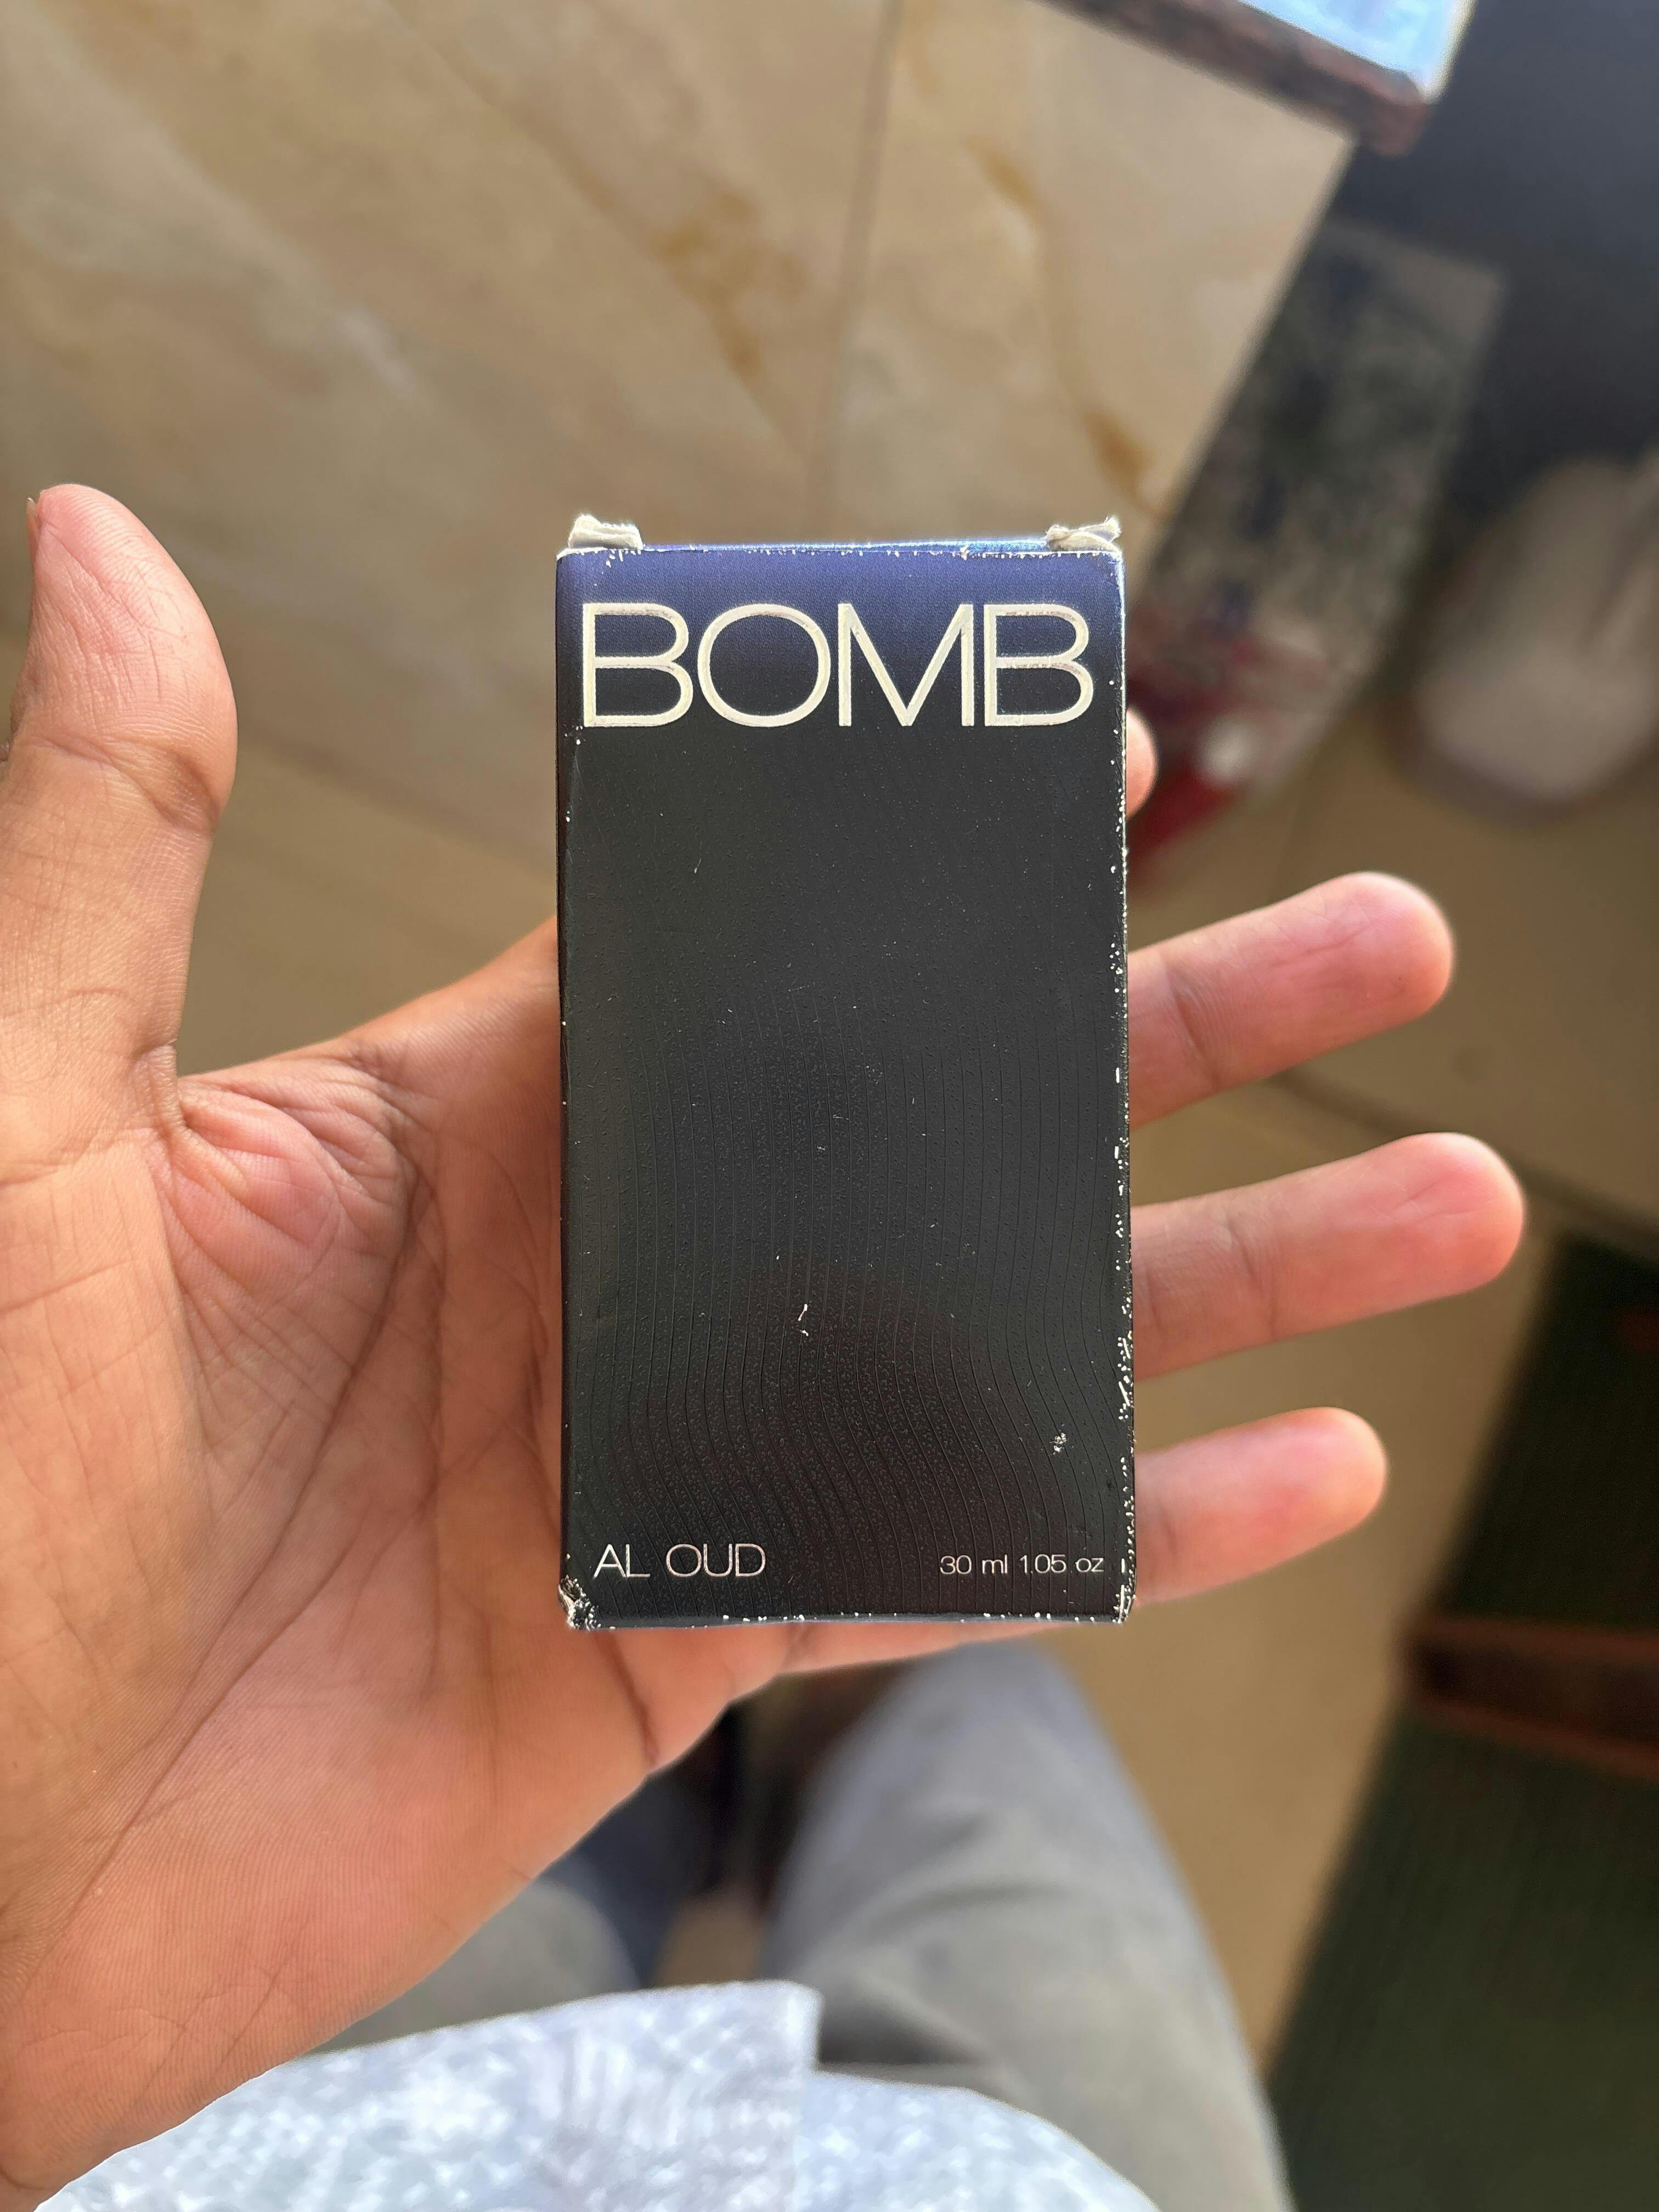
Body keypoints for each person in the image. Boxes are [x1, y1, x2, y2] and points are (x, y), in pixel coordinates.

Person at [0, 488, 1523, 2209]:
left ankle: (767, 1699)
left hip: (293, 2131)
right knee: (983, 1736)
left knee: (691, 1788)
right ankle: (835, 1688)